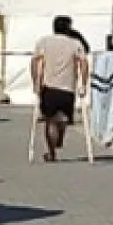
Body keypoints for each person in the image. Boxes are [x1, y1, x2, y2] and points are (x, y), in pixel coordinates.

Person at [30, 15, 88, 162]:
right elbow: (83, 63)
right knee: (62, 118)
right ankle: (57, 142)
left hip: (49, 87)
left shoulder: (43, 42)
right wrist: (83, 83)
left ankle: (51, 150)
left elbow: (35, 61)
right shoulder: (75, 44)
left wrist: (35, 81)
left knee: (50, 120)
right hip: (68, 87)